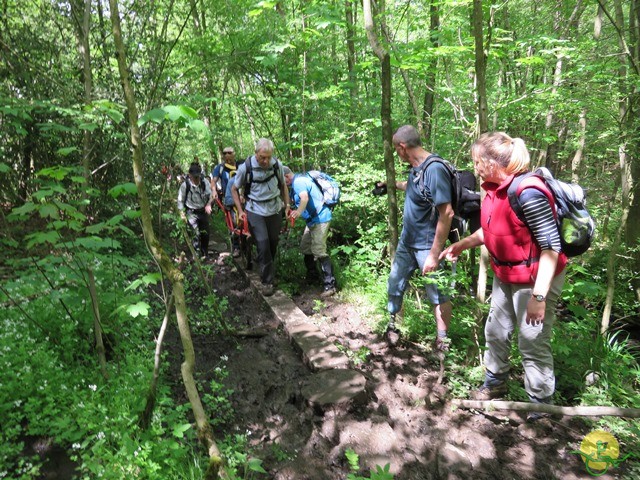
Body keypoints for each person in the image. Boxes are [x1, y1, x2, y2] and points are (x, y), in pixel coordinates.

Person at [440, 132, 566, 417]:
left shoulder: (528, 192)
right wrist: (462, 243)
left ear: (492, 162)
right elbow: (491, 229)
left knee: (532, 340)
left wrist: (539, 296)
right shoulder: (493, 190)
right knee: (495, 330)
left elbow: (551, 247)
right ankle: (495, 383)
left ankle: (540, 405)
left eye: (477, 161)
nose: (475, 166)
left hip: (535, 279)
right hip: (505, 273)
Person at [381, 125, 454, 350]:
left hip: (427, 245)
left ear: (402, 148)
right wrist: (390, 184)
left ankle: (442, 340)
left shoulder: (434, 169)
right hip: (407, 242)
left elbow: (447, 212)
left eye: (396, 149)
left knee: (437, 293)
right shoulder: (416, 168)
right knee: (395, 282)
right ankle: (392, 327)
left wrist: (434, 254)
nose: (396, 153)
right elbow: (414, 189)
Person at [231, 138, 290, 296]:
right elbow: (234, 189)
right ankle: (267, 282)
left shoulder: (277, 164)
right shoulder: (246, 167)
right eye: (263, 157)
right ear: (256, 153)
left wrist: (288, 206)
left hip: (275, 208)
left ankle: (266, 268)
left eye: (268, 157)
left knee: (273, 242)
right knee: (263, 244)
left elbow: (283, 186)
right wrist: (240, 210)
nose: (266, 160)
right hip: (255, 209)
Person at [284, 166, 337, 296]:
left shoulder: (298, 182)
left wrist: (298, 212)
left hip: (321, 218)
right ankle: (313, 277)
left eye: (282, 180)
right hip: (312, 220)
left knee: (319, 250)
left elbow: (304, 198)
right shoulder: (297, 182)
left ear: (286, 177)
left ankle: (330, 285)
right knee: (305, 247)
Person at [177, 162, 214, 259]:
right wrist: (182, 214)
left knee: (205, 233)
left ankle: (205, 253)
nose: (196, 179)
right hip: (191, 212)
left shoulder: (204, 182)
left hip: (203, 210)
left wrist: (209, 204)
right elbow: (180, 201)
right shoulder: (185, 186)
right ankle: (196, 255)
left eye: (197, 177)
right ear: (189, 176)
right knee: (195, 233)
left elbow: (211, 196)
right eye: (194, 177)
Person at [211, 147, 242, 257]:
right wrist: (214, 190)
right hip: (229, 199)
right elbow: (213, 181)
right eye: (225, 153)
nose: (227, 155)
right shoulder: (220, 168)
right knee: (233, 222)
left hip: (244, 197)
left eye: (229, 153)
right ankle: (236, 247)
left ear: (234, 153)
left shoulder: (241, 165)